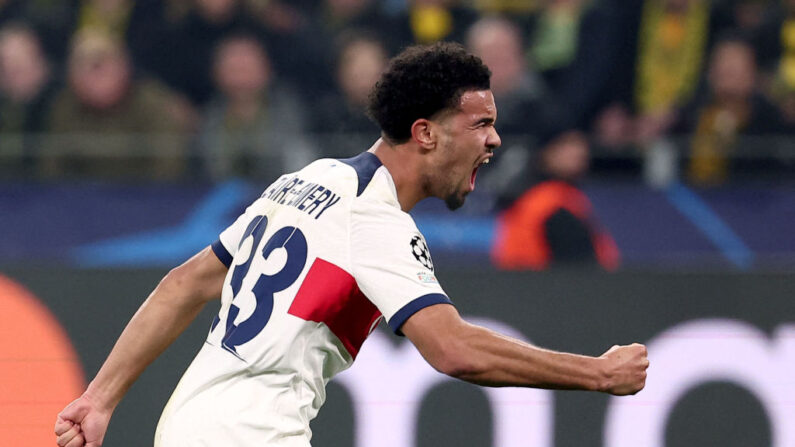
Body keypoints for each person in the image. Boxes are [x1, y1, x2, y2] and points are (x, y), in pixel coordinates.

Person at [54, 42, 648, 447]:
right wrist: (597, 374)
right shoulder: (377, 221)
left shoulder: (312, 179)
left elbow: (183, 283)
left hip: (187, 428)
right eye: (480, 125)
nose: (494, 141)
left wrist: (100, 398)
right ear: (425, 133)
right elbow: (454, 349)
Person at [491, 130, 621, 270]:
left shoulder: (561, 198)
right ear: (546, 152)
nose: (579, 152)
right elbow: (581, 267)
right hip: (540, 286)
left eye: (581, 144)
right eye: (567, 144)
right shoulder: (548, 203)